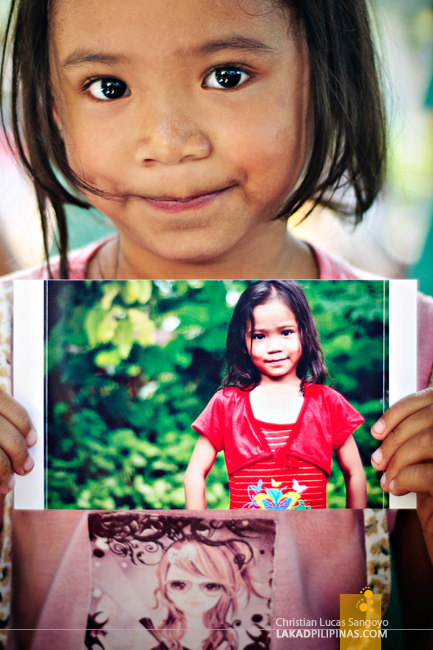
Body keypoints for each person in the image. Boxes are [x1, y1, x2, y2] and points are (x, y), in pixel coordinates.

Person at [0, 0, 432, 646]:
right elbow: (199, 465)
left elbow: (401, 623)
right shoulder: (8, 342)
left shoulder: (413, 354)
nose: (170, 142)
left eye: (226, 75)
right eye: (108, 87)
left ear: (325, 79)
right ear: (57, 111)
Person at [185, 280, 367, 510]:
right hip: (246, 544)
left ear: (305, 334)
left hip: (311, 544)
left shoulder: (328, 403)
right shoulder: (226, 404)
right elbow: (194, 474)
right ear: (243, 342)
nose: (274, 347)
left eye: (286, 332)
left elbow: (355, 475)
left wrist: (358, 534)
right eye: (259, 336)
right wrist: (198, 533)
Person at [137, 538, 265, 650]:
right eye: (178, 584)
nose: (194, 596)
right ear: (164, 584)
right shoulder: (148, 632)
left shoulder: (237, 637)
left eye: (211, 586)